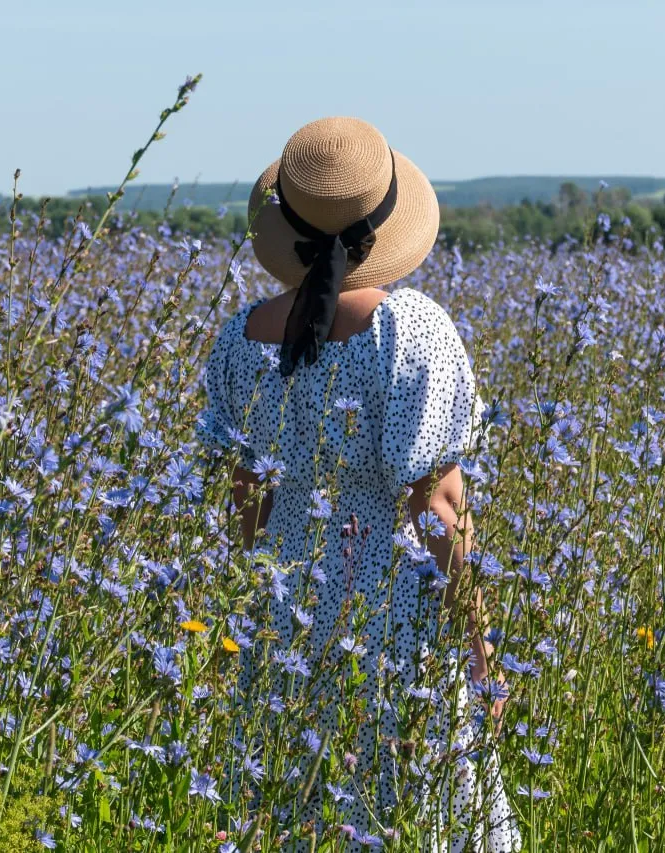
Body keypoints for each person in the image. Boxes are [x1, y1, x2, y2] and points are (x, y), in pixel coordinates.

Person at [198, 116, 520, 851]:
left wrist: (261, 616)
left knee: (292, 806)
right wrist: (481, 652)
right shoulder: (409, 333)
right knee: (409, 811)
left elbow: (247, 505)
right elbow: (438, 507)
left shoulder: (240, 341)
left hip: (285, 621)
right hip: (390, 626)